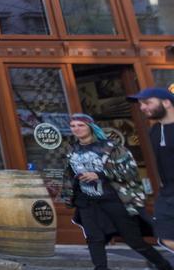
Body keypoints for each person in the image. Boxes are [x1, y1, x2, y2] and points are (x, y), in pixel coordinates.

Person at [60, 113, 172, 270]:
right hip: (87, 201)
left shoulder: (111, 147)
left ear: (91, 127)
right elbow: (68, 174)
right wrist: (70, 194)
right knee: (94, 238)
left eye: (80, 125)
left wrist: (100, 174)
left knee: (133, 240)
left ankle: (163, 265)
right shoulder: (71, 149)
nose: (76, 129)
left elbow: (130, 171)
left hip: (114, 199)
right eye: (73, 126)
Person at [129, 86, 174, 251]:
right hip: (168, 193)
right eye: (141, 104)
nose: (142, 107)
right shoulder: (154, 130)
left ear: (167, 103)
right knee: (165, 236)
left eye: (147, 103)